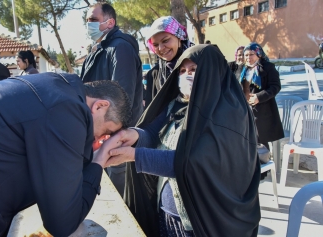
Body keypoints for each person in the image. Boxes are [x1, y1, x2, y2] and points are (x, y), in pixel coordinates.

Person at [98, 45, 261, 236]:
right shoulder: (177, 104)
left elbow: (195, 164)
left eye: (193, 70)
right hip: (168, 214)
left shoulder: (229, 114)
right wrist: (133, 135)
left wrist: (134, 155)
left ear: (211, 73)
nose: (187, 75)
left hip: (201, 222)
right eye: (182, 71)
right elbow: (152, 133)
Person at [0, 73, 132, 236]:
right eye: (106, 132)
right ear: (100, 106)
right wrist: (99, 160)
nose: (101, 139)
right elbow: (63, 223)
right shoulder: (67, 112)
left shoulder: (58, 88)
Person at [81, 2, 143, 195]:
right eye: (87, 20)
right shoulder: (98, 49)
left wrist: (110, 138)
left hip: (115, 136)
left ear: (110, 22)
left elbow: (122, 100)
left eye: (93, 20)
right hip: (100, 135)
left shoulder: (120, 48)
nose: (88, 24)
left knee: (117, 193)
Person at [239, 42, 284, 150]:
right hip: (245, 110)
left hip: (262, 111)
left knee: (261, 142)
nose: (248, 57)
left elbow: (275, 86)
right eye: (246, 55)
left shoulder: (268, 67)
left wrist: (259, 97)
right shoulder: (243, 69)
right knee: (245, 140)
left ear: (258, 54)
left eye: (251, 54)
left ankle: (264, 164)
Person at [144, 16, 194, 108]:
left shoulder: (199, 61)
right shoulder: (154, 74)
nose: (160, 48)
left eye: (165, 41)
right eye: (155, 45)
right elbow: (151, 111)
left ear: (178, 37)